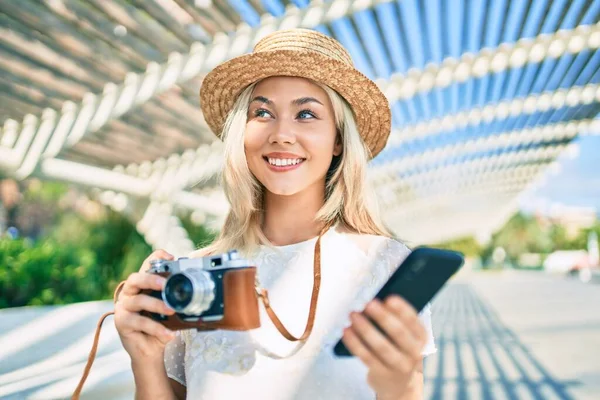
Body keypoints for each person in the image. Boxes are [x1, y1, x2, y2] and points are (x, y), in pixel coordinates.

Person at [114, 28, 437, 400]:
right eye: (263, 112)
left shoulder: (387, 265)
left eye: (306, 114)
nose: (281, 134)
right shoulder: (193, 278)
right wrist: (144, 358)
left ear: (337, 140)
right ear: (243, 131)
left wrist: (401, 381)